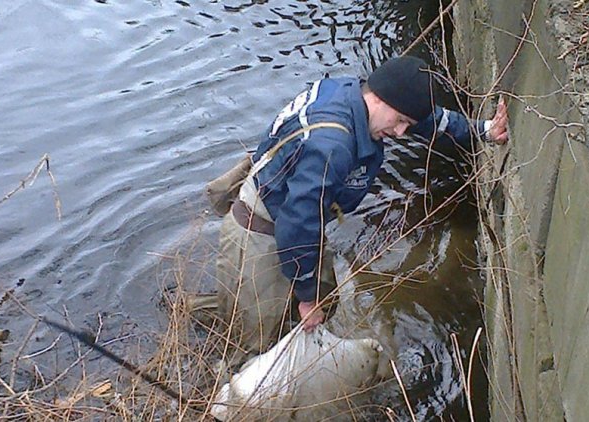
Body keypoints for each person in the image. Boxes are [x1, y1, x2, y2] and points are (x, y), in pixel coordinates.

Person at [214, 55, 508, 364]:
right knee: (254, 343)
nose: (400, 133)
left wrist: (483, 130)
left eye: (406, 123)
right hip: (260, 232)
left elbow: (423, 119)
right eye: (399, 121)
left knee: (318, 304)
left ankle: (244, 312)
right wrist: (307, 296)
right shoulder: (332, 145)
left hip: (285, 214)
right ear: (380, 99)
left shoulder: (356, 93)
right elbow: (298, 221)